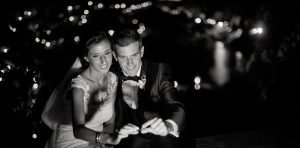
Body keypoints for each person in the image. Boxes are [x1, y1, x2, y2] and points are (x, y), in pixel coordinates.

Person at [41, 32, 133, 148]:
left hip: (97, 142)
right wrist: (105, 138)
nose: (104, 61)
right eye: (96, 56)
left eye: (107, 53)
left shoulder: (113, 79)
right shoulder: (79, 86)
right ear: (86, 57)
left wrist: (105, 141)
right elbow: (78, 130)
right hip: (72, 144)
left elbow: (110, 121)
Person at [111, 28, 185, 148]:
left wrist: (168, 125)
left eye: (134, 55)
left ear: (142, 51)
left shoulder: (159, 70)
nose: (130, 63)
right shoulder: (109, 76)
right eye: (123, 57)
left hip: (160, 141)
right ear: (115, 56)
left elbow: (175, 105)